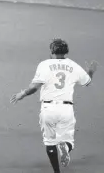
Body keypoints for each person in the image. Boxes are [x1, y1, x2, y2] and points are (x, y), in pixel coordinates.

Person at [10, 38, 98, 173]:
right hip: (66, 109)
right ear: (66, 51)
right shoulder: (73, 65)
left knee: (49, 142)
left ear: (51, 51)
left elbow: (34, 87)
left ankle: (57, 171)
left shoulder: (44, 64)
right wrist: (90, 71)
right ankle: (65, 148)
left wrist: (22, 94)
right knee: (69, 141)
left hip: (48, 108)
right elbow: (87, 81)